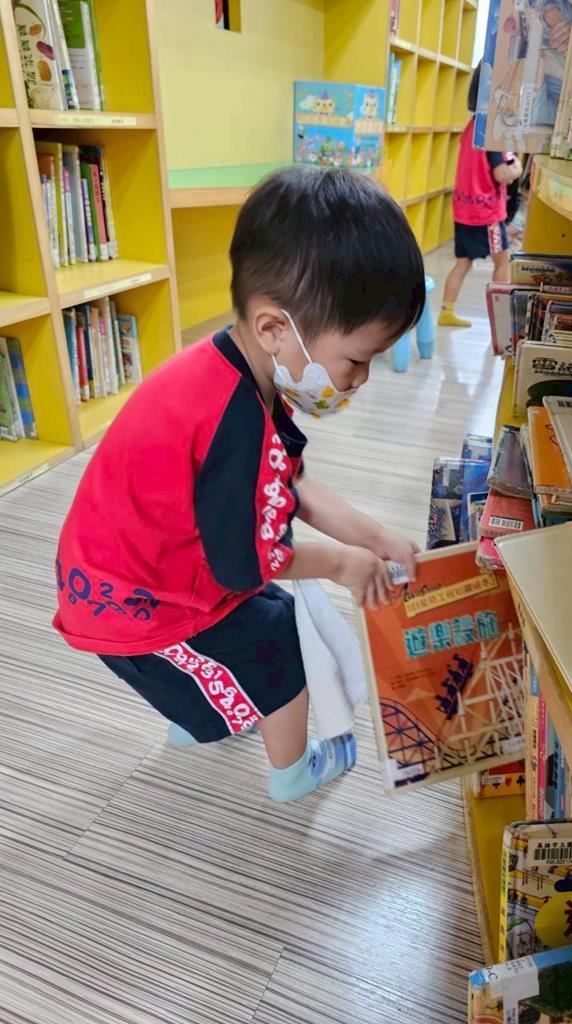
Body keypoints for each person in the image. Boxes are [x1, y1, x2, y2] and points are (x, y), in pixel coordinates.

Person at [53, 168, 425, 804]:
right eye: (356, 359)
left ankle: (199, 713)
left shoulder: (238, 369)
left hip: (142, 566)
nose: (360, 379)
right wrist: (341, 563)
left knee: (263, 623)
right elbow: (246, 565)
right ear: (275, 328)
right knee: (280, 640)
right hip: (132, 600)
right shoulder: (232, 420)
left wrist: (373, 536)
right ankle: (292, 772)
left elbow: (289, 482)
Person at [437, 64, 522, 329]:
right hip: (487, 213)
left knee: (462, 263)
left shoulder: (472, 126)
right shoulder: (492, 132)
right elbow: (501, 173)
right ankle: (500, 316)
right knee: (503, 262)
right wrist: (517, 167)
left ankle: (446, 311)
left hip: (464, 208)